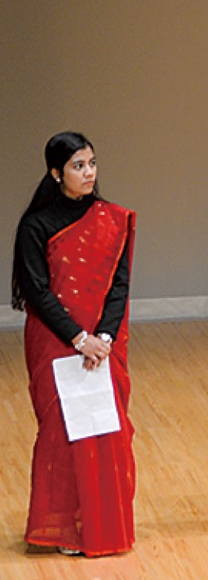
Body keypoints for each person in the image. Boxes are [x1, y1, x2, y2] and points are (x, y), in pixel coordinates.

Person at [11, 131, 136, 557]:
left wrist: (104, 337)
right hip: (56, 340)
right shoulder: (36, 225)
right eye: (78, 166)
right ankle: (64, 529)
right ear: (55, 172)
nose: (88, 173)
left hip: (103, 343)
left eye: (92, 164)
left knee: (105, 430)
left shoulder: (111, 219)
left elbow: (119, 285)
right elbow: (36, 291)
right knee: (63, 431)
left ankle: (101, 529)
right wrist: (78, 338)